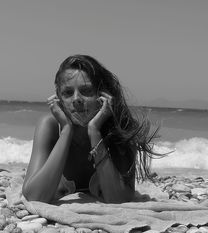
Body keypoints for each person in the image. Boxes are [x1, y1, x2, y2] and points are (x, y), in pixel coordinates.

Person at [23, 55, 159, 204]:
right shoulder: (49, 126)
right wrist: (66, 131)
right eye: (68, 93)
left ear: (103, 96)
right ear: (58, 99)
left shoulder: (120, 129)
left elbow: (118, 200)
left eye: (86, 91)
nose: (76, 99)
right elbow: (34, 197)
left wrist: (94, 131)